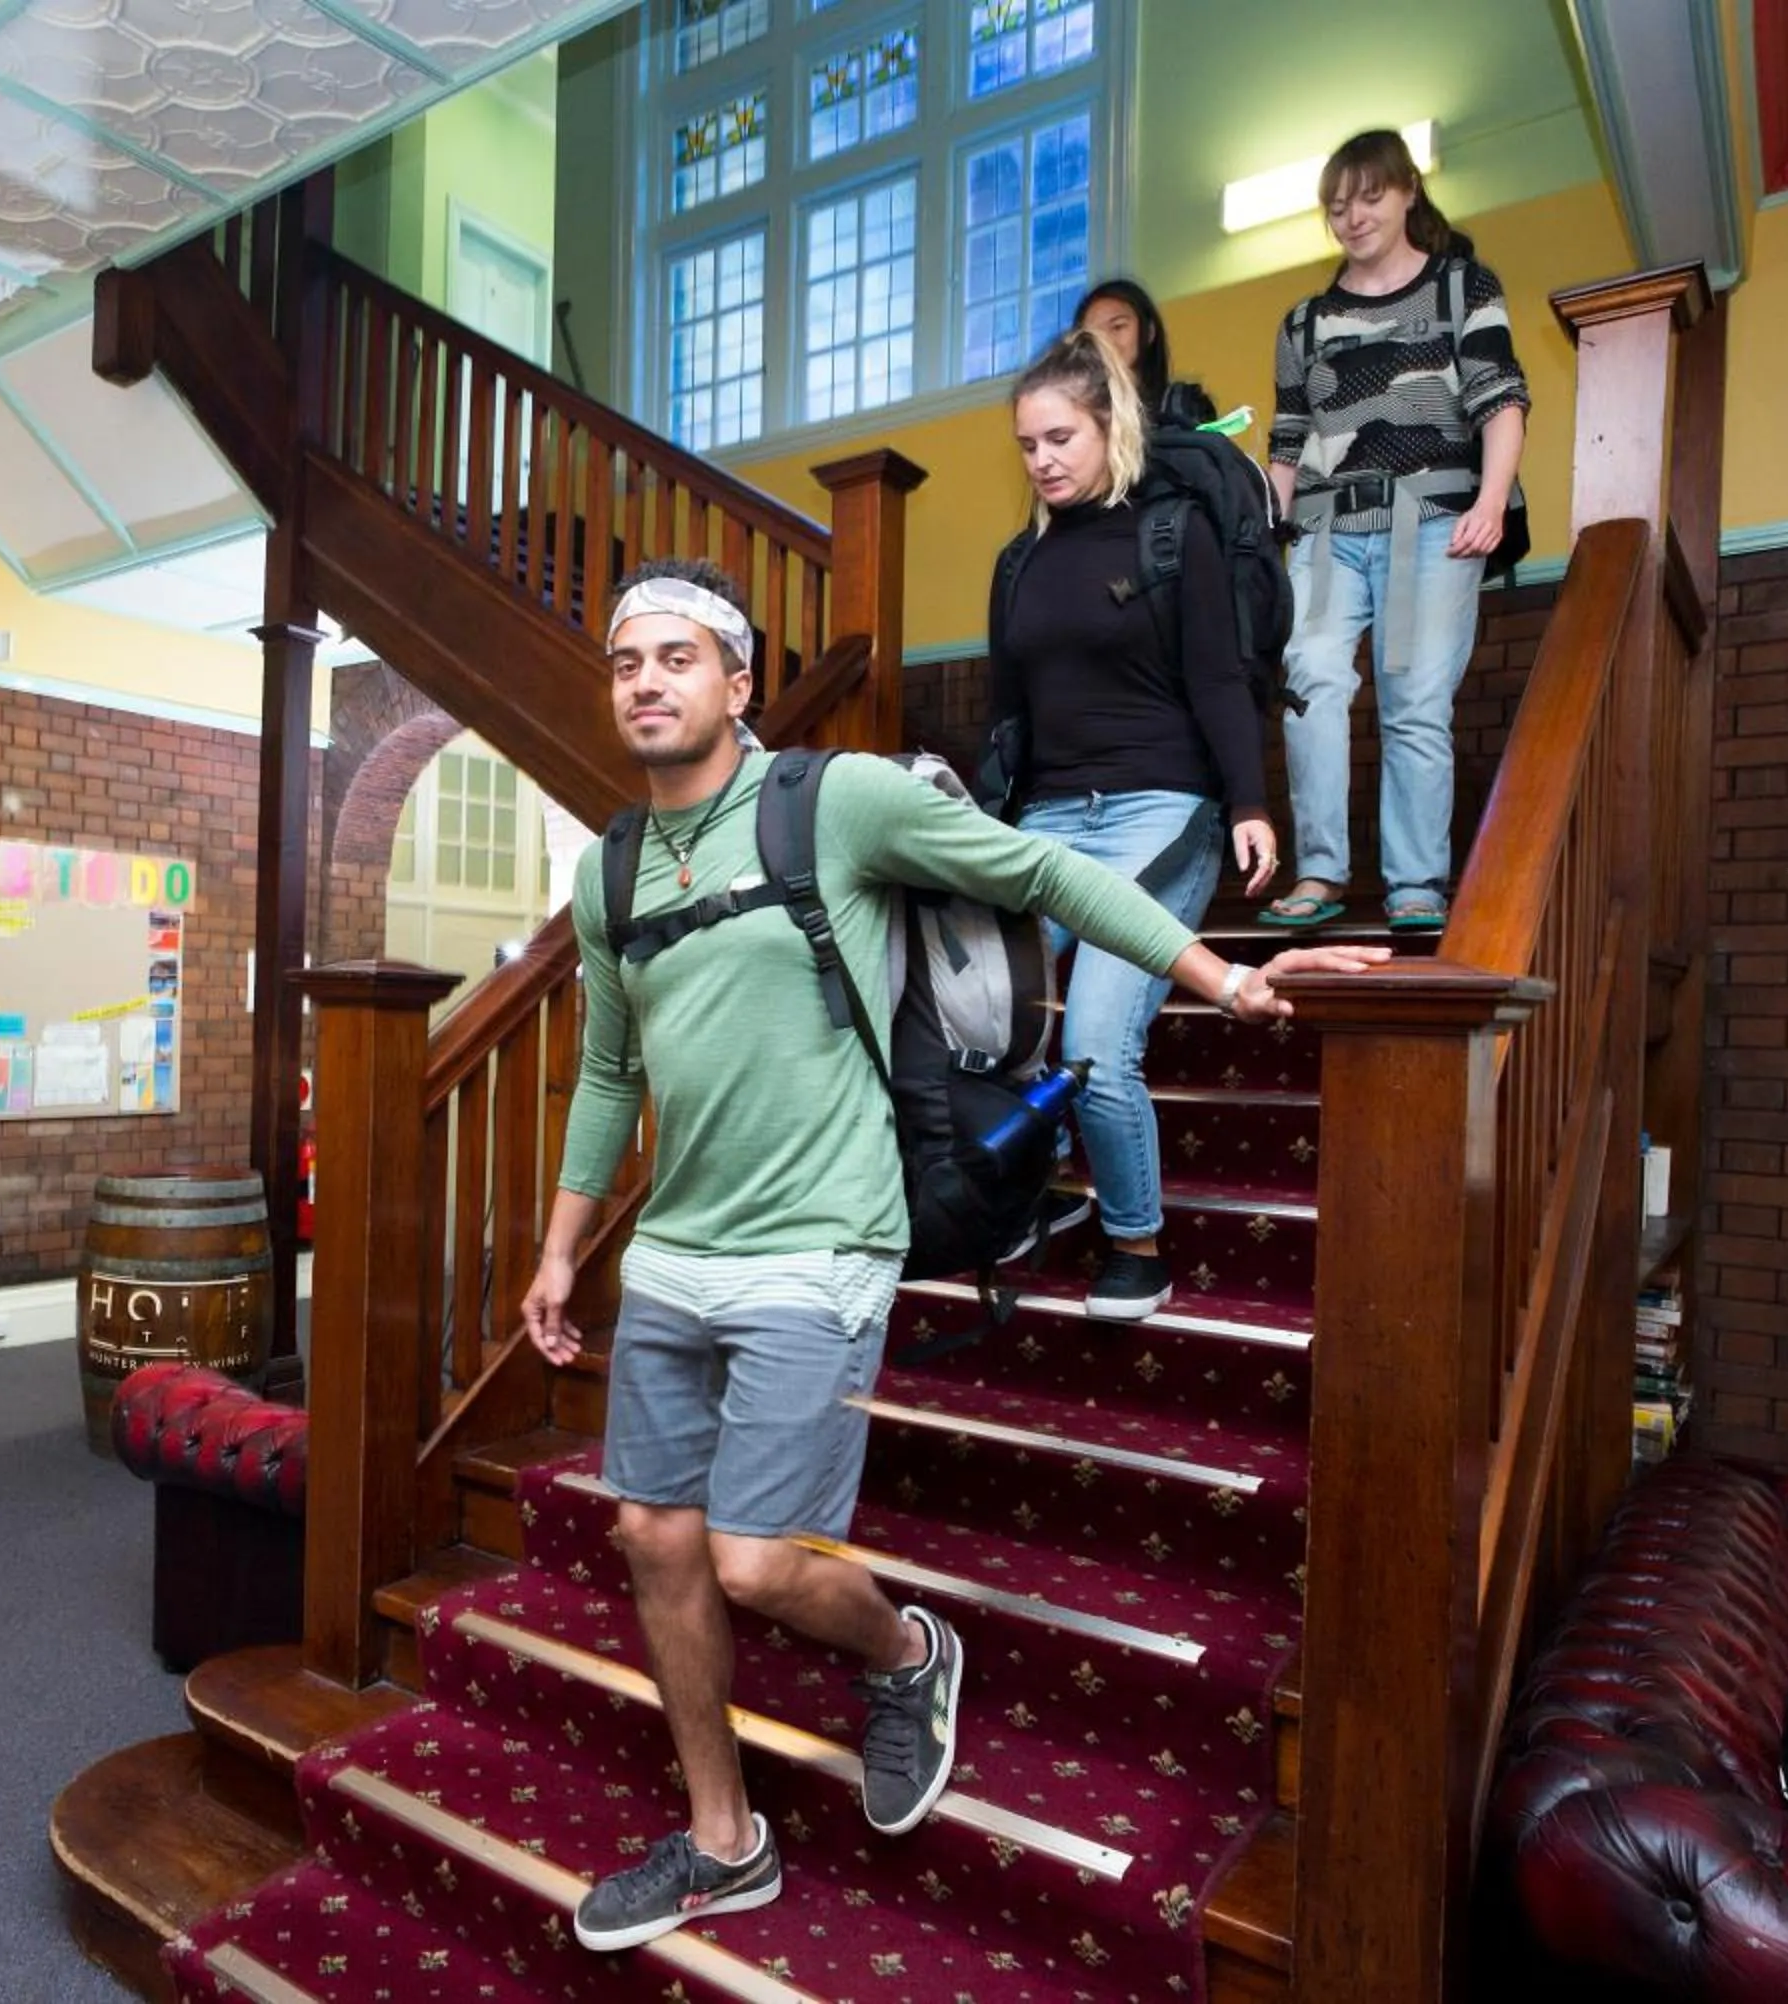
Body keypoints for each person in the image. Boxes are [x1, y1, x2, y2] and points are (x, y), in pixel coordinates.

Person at [522, 557, 1381, 1951]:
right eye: (627, 663)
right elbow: (609, 1071)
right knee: (651, 1537)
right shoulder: (610, 865)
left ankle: (911, 1654)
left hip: (822, 1243)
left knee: (753, 1560)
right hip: (675, 1256)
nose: (647, 682)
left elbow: (1041, 868)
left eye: (677, 658)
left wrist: (1224, 975)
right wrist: (563, 1252)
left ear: (737, 686)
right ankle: (723, 1840)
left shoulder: (834, 803)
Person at [993, 330, 1273, 1320]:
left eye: (1062, 437)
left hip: (1163, 807)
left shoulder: (1173, 533)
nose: (1045, 460)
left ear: (1109, 426)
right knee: (989, 1025)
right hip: (1048, 822)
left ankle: (1136, 1243)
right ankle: (1030, 1189)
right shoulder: (1019, 563)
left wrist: (1247, 803)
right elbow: (1009, 714)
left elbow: (1218, 676)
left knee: (1101, 1045)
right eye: (1028, 445)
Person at [1261, 127, 1530, 932]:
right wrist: (1264, 537)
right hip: (1325, 525)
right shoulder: (1305, 322)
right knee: (1309, 682)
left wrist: (1491, 500)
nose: (1354, 217)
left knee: (1413, 697)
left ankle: (1416, 883)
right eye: (1338, 206)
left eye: (1370, 196)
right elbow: (1286, 437)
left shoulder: (1461, 288)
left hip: (1430, 519)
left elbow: (1501, 399)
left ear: (1409, 191)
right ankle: (1319, 873)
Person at [1074, 279, 1219, 429]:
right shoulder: (1075, 411)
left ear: (1149, 332)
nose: (1105, 341)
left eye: (1117, 327)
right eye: (1093, 334)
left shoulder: (1183, 405)